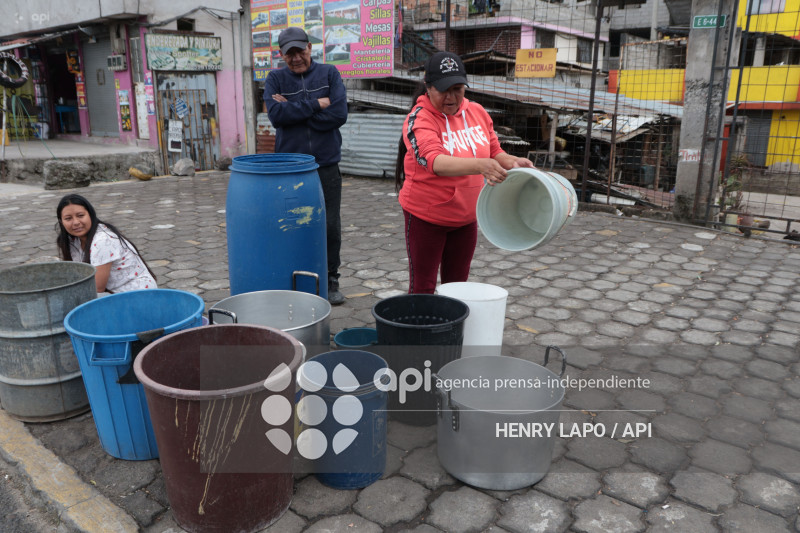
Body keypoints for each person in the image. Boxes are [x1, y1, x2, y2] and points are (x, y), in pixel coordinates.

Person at [395, 51, 534, 294]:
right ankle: (420, 331)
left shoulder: (477, 112)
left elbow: (493, 150)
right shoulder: (420, 118)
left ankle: (450, 331)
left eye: (457, 89)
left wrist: (512, 162)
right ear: (428, 87)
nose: (451, 97)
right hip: (426, 217)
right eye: (443, 90)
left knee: (457, 286)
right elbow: (434, 160)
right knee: (423, 287)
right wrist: (480, 165)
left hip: (467, 217)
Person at [264, 27, 348, 305]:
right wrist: (315, 104)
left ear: (310, 47)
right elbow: (276, 116)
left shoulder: (329, 74)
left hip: (325, 165)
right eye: (289, 53)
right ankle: (295, 278)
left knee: (330, 226)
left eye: (300, 51)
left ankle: (330, 278)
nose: (296, 58)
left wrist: (296, 109)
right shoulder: (275, 78)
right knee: (292, 225)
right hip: (290, 168)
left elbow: (338, 114)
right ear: (281, 55)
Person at [56, 194, 158, 293]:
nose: (76, 222)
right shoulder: (72, 241)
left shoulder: (102, 240)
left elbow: (96, 289)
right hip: (112, 292)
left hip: (138, 294)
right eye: (68, 218)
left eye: (80, 215)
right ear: (61, 222)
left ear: (91, 215)